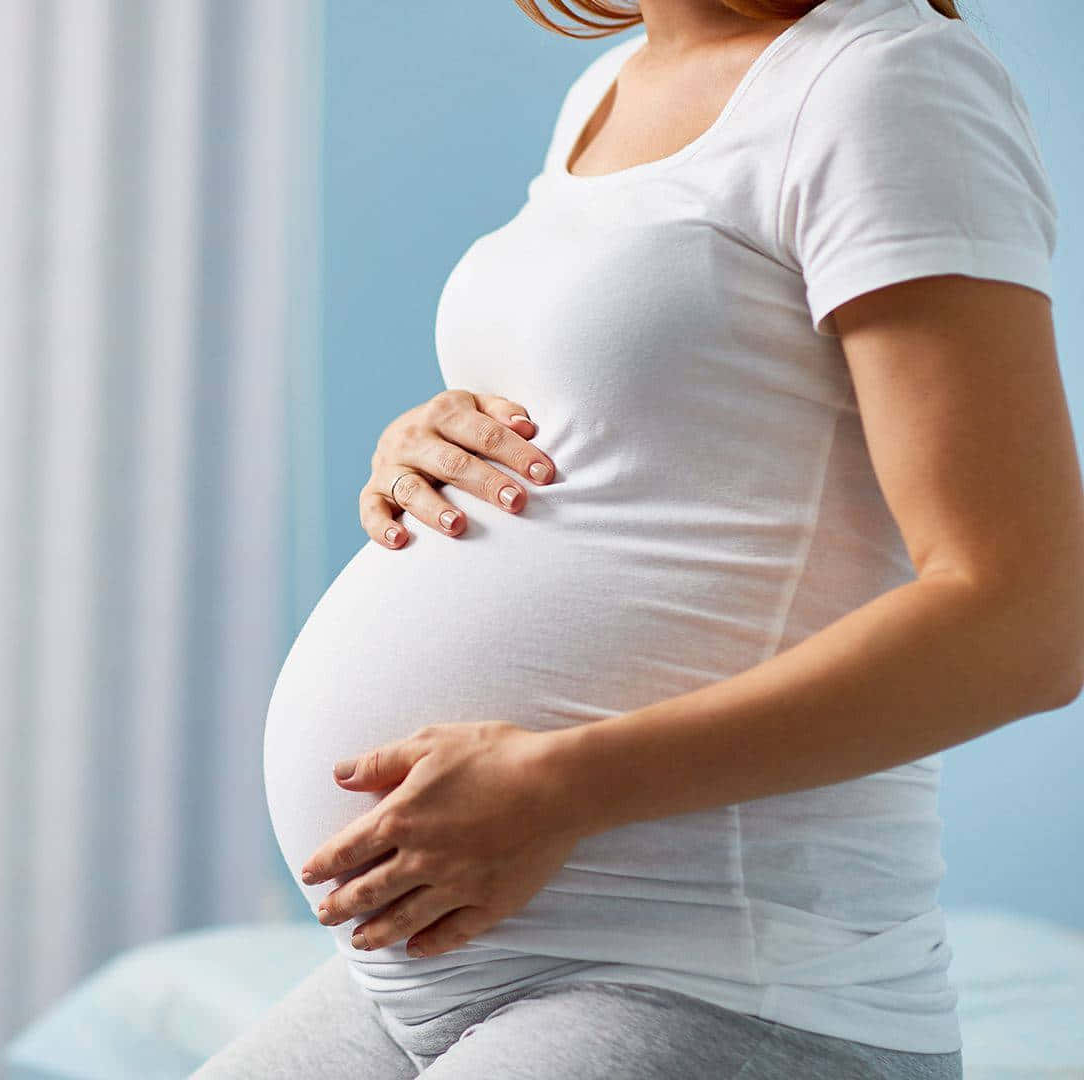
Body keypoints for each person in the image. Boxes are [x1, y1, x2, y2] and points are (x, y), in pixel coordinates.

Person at [198, 0, 1081, 1076]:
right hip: (418, 977)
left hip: (714, 986)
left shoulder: (884, 80)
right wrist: (424, 443)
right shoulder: (610, 89)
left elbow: (1024, 617)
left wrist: (564, 785)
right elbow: (647, 438)